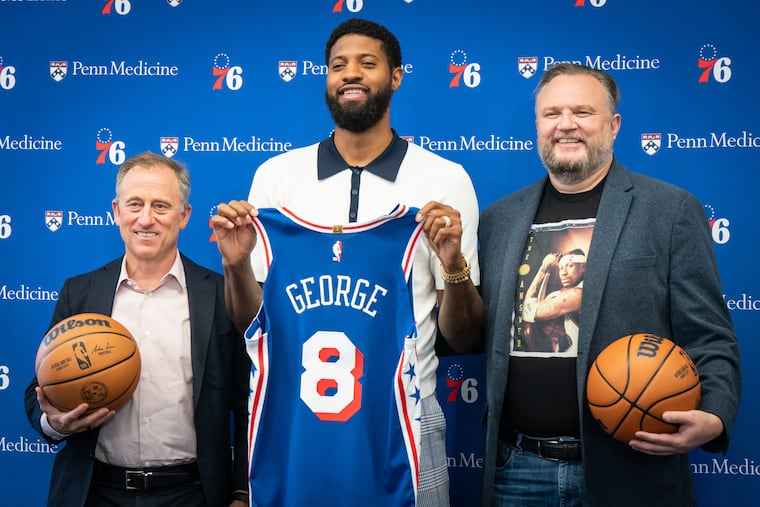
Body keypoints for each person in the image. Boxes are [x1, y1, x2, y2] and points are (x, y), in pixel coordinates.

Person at [212, 18, 484, 506]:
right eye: (338, 65)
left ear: (395, 77)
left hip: (407, 414)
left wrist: (453, 265)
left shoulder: (444, 179)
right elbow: (250, 323)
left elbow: (463, 337)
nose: (350, 73)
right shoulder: (277, 177)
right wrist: (236, 266)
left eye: (366, 63)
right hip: (294, 418)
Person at [478, 63, 741, 506]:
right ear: (538, 125)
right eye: (552, 113)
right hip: (516, 466)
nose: (566, 124)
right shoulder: (499, 219)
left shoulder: (670, 210)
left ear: (614, 125)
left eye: (582, 112)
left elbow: (710, 335)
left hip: (631, 464)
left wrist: (714, 413)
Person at [24, 152, 250, 507]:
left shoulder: (221, 296)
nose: (146, 218)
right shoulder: (78, 292)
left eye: (161, 206)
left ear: (184, 215)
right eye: (135, 204)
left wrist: (241, 492)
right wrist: (56, 422)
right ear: (116, 211)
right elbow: (40, 390)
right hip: (94, 493)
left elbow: (248, 403)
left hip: (193, 495)